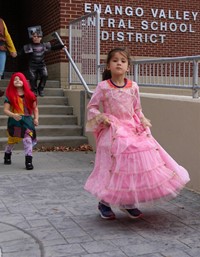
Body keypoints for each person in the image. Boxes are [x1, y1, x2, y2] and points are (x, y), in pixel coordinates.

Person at [84, 47, 190, 220]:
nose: (119, 63)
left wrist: (143, 121)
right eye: (115, 60)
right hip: (113, 131)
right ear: (108, 66)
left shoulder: (133, 86)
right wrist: (102, 117)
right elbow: (92, 107)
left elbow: (137, 109)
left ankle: (128, 202)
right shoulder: (103, 87)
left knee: (134, 165)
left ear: (128, 67)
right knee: (112, 167)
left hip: (131, 128)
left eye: (123, 61)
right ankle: (104, 201)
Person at [3, 72, 39, 170]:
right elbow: (5, 110)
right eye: (15, 79)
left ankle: (28, 161)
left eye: (20, 79)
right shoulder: (10, 96)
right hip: (15, 121)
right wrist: (13, 115)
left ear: (24, 81)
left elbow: (35, 109)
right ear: (12, 82)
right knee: (12, 141)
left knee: (28, 140)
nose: (17, 81)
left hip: (27, 121)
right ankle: (7, 154)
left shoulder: (31, 95)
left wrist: (36, 118)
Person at [18, 25, 64, 97]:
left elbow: (53, 47)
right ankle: (34, 90)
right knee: (33, 78)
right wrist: (14, 53)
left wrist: (62, 46)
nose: (35, 38)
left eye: (37, 36)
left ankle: (41, 89)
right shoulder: (29, 46)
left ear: (40, 37)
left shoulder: (44, 45)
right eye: (34, 36)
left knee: (45, 75)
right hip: (32, 65)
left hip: (41, 64)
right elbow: (20, 52)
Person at [0, 18, 17, 96]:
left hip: (1, 48)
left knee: (1, 70)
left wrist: (12, 49)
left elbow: (7, 36)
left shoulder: (1, 21)